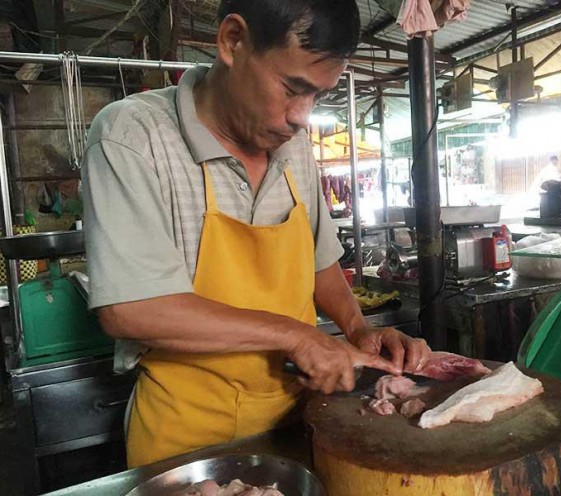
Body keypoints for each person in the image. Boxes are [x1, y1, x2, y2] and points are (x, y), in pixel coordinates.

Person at [82, 0, 431, 468]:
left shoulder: (294, 148)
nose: (301, 116)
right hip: (189, 443)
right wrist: (295, 336)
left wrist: (358, 327)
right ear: (232, 40)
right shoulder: (133, 137)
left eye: (318, 96)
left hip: (299, 420)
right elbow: (131, 310)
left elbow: (319, 264)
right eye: (292, 88)